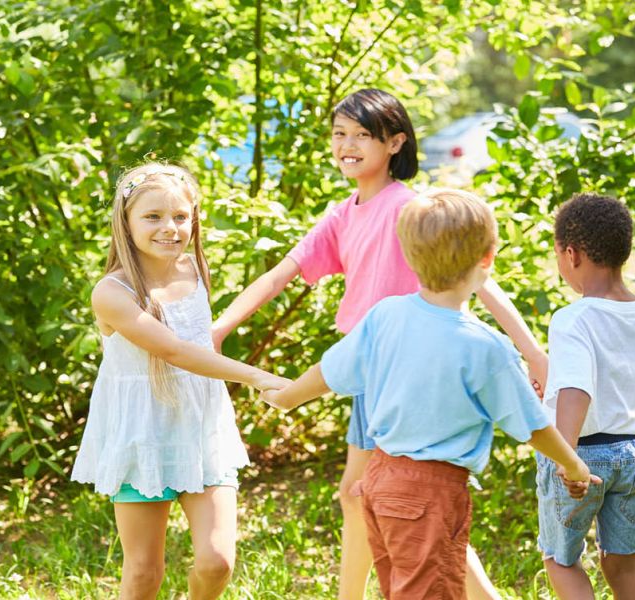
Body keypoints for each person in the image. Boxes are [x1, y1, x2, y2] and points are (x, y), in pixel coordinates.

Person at [212, 89, 547, 600]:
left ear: (394, 143)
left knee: (384, 498)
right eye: (338, 134)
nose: (346, 145)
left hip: (407, 371)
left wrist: (531, 349)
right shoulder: (342, 214)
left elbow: (481, 279)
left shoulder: (409, 209)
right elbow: (281, 274)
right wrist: (220, 328)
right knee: (366, 495)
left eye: (361, 135)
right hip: (372, 369)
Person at [260, 188, 596, 599]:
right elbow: (533, 425)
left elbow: (329, 371)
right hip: (431, 491)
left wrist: (287, 397)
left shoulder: (385, 315)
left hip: (379, 478)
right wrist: (573, 464)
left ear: (408, 255)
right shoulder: (485, 347)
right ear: (487, 258)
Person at [71, 163, 288, 600]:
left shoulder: (191, 269)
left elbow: (202, 342)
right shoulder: (112, 293)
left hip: (201, 431)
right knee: (143, 573)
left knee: (217, 562)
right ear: (125, 222)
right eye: (152, 217)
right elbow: (174, 351)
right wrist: (256, 376)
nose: (169, 228)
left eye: (180, 217)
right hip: (142, 434)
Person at [536, 192, 635, 600]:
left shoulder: (573, 318)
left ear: (571, 254)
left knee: (561, 561)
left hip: (582, 457)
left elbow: (578, 389)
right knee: (623, 563)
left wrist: (567, 458)